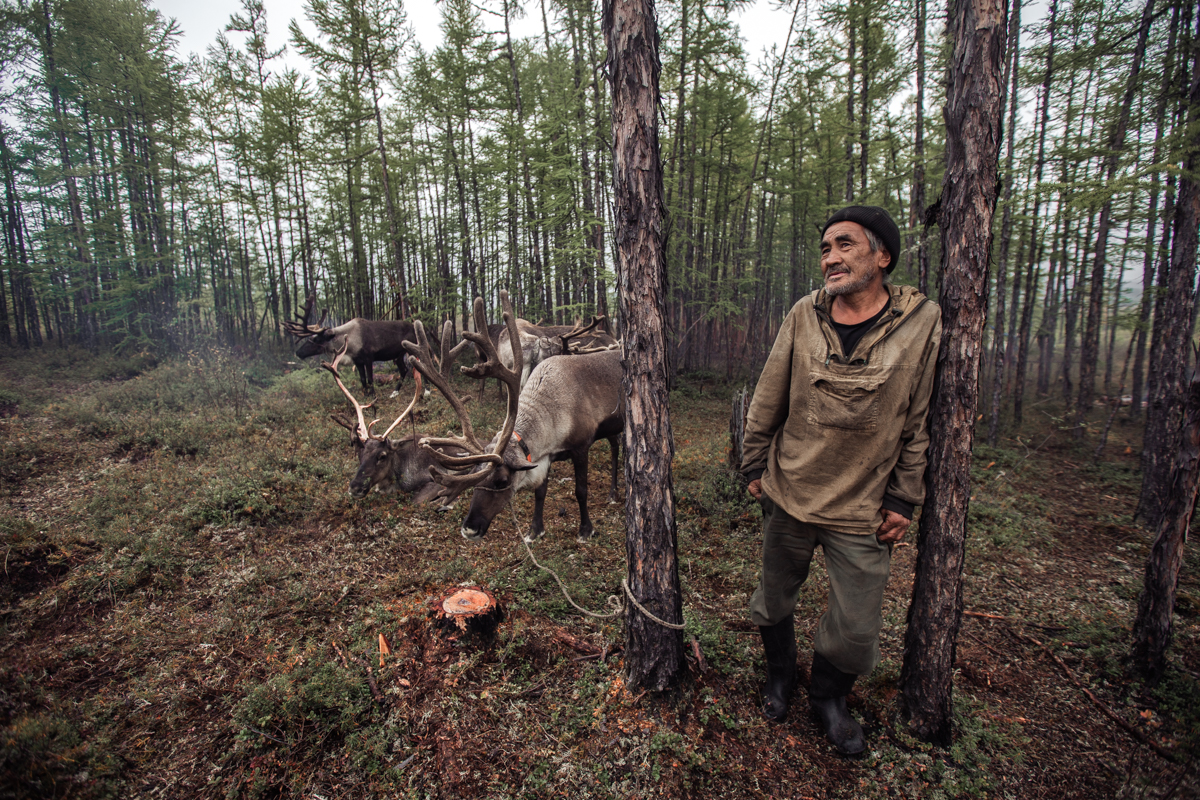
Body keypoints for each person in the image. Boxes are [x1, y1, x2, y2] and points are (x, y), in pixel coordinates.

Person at [740, 205, 941, 756]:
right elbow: (768, 393)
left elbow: (919, 416)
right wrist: (754, 466)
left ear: (883, 256)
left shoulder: (921, 321)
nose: (831, 257)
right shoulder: (805, 314)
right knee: (774, 597)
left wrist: (905, 494)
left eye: (845, 245)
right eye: (826, 248)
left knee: (856, 629)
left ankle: (830, 699)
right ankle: (779, 677)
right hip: (791, 491)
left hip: (864, 507)